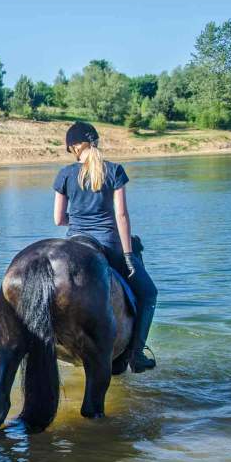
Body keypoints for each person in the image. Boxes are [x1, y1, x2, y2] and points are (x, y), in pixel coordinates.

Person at [52, 121, 157, 372]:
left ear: (76, 147)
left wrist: (76, 221)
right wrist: (128, 255)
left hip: (75, 241)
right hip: (108, 244)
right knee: (148, 293)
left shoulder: (65, 174)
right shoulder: (114, 171)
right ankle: (136, 354)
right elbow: (121, 216)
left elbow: (58, 219)